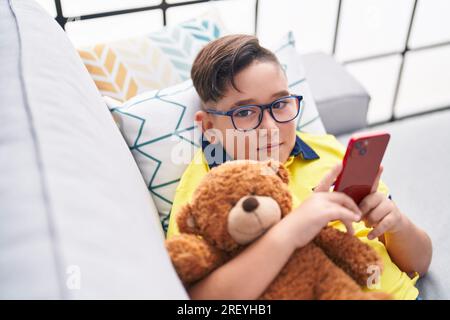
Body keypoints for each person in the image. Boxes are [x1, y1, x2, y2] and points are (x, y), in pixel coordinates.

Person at [166, 34, 432, 300]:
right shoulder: (203, 192)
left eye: (280, 104)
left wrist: (397, 225)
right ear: (209, 127)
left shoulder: (327, 152)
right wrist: (295, 229)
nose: (270, 128)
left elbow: (420, 263)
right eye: (245, 113)